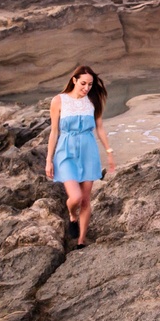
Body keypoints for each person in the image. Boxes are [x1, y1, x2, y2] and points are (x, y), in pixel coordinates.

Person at [45, 66, 116, 248]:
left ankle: (82, 240)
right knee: (75, 197)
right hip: (65, 151)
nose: (87, 88)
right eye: (83, 83)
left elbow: (99, 128)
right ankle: (72, 215)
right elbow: (54, 132)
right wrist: (49, 160)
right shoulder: (59, 100)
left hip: (88, 152)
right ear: (74, 80)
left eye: (90, 84)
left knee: (85, 199)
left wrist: (109, 152)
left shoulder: (93, 101)